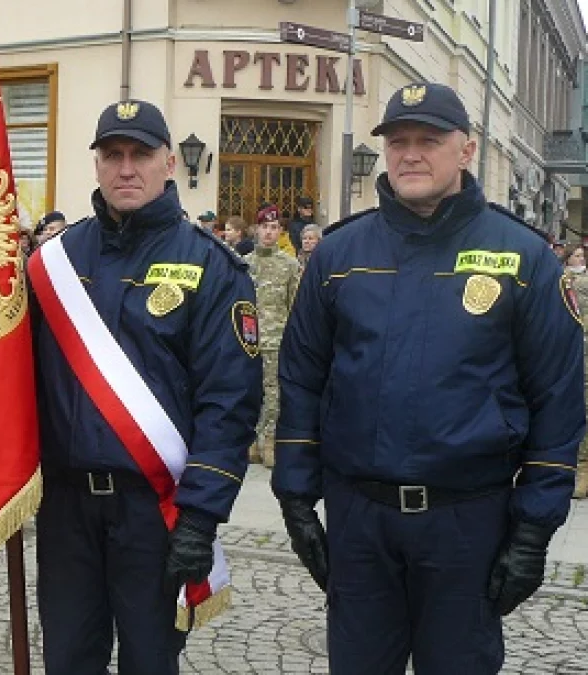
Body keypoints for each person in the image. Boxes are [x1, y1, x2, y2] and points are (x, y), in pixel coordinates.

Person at [273, 82, 584, 674]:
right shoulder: (340, 254)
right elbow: (302, 379)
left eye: (429, 140)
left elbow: (558, 400)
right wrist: (294, 497)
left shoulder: (523, 257)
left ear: (466, 150)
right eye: (398, 141)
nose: (410, 154)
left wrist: (533, 530)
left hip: (467, 522)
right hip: (360, 519)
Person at [28, 100, 262, 675]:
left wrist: (201, 518)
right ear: (98, 165)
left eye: (140, 154)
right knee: (67, 660)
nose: (126, 168)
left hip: (155, 511)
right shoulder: (53, 261)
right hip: (66, 507)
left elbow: (228, 404)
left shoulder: (211, 267)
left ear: (169, 165)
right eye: (113, 155)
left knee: (149, 662)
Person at [244, 205, 299, 468]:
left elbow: (295, 305)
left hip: (277, 339)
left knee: (274, 392)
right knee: (250, 390)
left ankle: (270, 440)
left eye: (274, 228)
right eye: (265, 227)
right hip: (249, 341)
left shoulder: (289, 265)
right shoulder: (245, 264)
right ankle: (252, 440)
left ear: (280, 231)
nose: (269, 232)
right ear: (256, 230)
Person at [565, 244, 588, 499]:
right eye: (577, 255)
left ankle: (582, 470)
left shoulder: (577, 283)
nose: (580, 259)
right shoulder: (560, 280)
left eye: (583, 256)